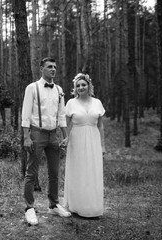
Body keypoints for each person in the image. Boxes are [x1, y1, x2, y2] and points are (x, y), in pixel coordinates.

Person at [21, 57, 71, 226]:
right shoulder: (32, 88)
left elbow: (61, 114)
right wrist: (26, 137)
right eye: (49, 67)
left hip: (53, 135)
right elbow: (26, 114)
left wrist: (65, 136)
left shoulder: (59, 89)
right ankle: (29, 208)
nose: (53, 69)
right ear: (41, 68)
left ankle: (54, 204)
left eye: (55, 67)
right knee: (32, 172)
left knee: (54, 172)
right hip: (37, 134)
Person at [61, 73, 106, 218]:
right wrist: (65, 138)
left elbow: (101, 127)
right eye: (78, 85)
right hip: (76, 140)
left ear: (89, 86)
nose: (81, 87)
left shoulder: (97, 102)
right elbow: (66, 125)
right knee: (78, 171)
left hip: (93, 139)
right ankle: (76, 205)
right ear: (75, 88)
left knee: (92, 171)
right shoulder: (71, 103)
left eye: (83, 85)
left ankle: (92, 207)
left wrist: (102, 146)